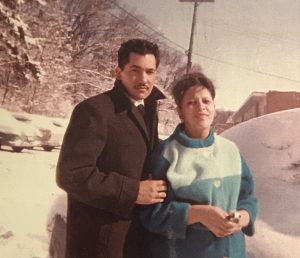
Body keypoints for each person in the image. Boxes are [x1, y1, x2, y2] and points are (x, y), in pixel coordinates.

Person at [56, 38, 168, 258]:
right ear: (119, 71)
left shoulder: (148, 110)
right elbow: (71, 175)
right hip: (98, 243)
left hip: (134, 238)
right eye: (135, 70)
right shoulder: (94, 110)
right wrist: (133, 191)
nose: (143, 79)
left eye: (150, 71)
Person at [139, 72, 258, 258]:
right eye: (191, 102)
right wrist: (197, 214)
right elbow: (151, 214)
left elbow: (248, 197)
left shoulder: (231, 150)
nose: (201, 107)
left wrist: (243, 216)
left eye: (206, 101)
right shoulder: (167, 154)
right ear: (180, 111)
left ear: (214, 107)